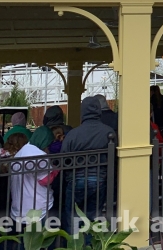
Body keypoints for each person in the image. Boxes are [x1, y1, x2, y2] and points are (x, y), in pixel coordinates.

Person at [61, 96, 115, 231]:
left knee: (73, 221)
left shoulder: (73, 134)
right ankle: (90, 241)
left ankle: (75, 241)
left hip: (76, 181)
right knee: (92, 221)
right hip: (99, 180)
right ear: (99, 110)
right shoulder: (108, 132)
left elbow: (63, 159)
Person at [9, 126, 55, 226]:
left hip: (19, 209)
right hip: (38, 208)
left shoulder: (22, 151)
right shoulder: (40, 155)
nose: (48, 149)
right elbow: (46, 180)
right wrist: (56, 170)